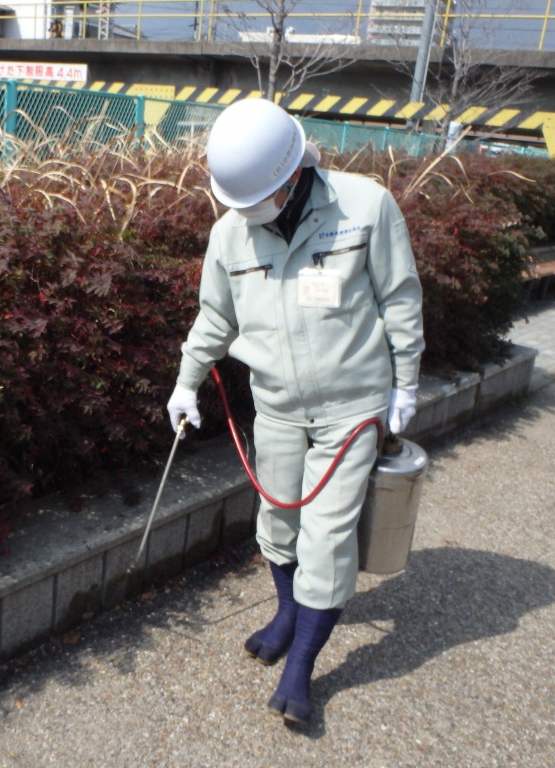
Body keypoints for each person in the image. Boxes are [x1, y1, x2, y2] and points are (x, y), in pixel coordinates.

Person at [166, 98, 425, 724]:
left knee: (327, 539)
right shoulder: (230, 232)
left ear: (291, 176)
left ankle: (303, 666)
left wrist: (406, 383)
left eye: (256, 198)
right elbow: (215, 317)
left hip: (351, 408)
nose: (245, 212)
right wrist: (185, 382)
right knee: (278, 525)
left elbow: (400, 297)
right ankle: (287, 612)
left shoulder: (364, 207)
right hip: (276, 407)